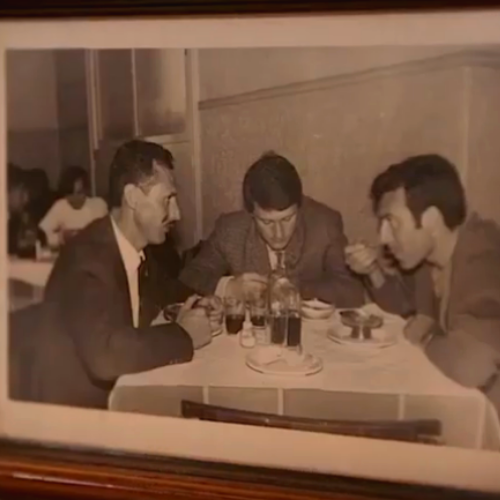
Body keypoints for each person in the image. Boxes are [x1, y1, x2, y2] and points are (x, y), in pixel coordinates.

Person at [11, 140, 221, 409]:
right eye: (167, 199)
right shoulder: (86, 260)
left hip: (117, 392)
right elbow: (106, 355)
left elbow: (166, 288)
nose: (177, 213)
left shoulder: (135, 248)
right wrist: (184, 335)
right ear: (133, 197)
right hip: (74, 411)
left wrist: (200, 300)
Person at [345, 154, 500, 416]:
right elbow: (403, 305)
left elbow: (472, 364)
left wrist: (428, 336)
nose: (383, 237)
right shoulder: (431, 259)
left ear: (430, 220)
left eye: (392, 222)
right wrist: (372, 270)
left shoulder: (482, 256)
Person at [179, 151, 365, 307]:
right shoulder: (231, 230)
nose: (279, 234)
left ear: (299, 207)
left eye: (287, 219)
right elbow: (189, 277)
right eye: (267, 223)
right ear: (251, 213)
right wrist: (228, 288)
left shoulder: (324, 224)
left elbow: (352, 292)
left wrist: (292, 289)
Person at [39, 165, 108, 248]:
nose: (74, 198)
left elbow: (108, 234)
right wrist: (60, 238)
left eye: (79, 193)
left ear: (86, 190)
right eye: (70, 193)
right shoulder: (60, 206)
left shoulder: (99, 205)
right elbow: (41, 235)